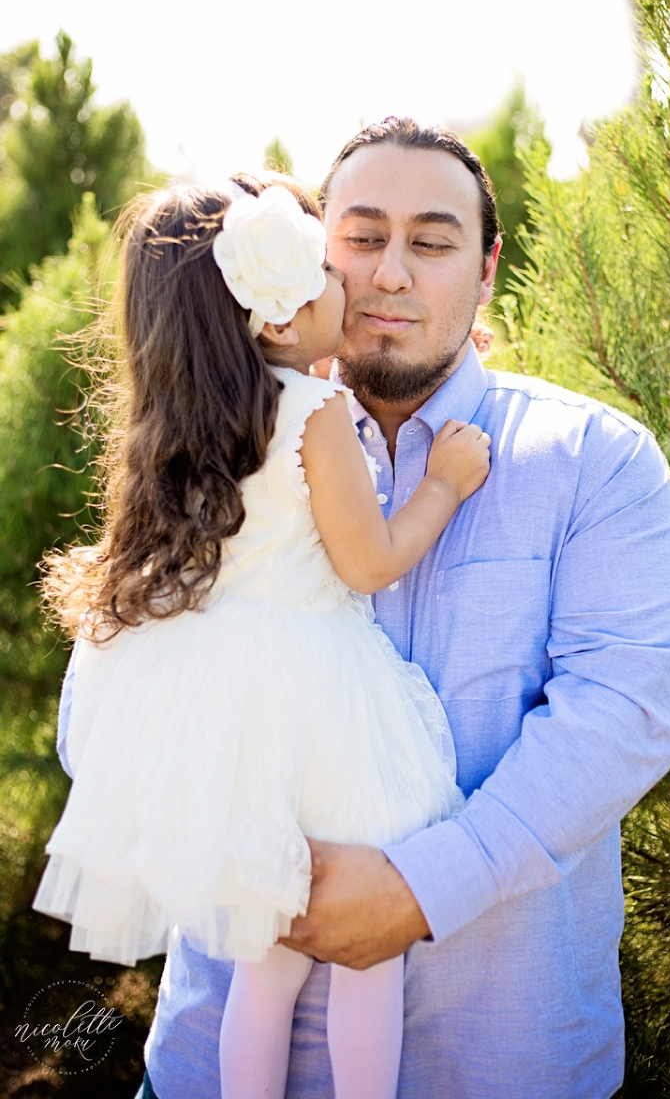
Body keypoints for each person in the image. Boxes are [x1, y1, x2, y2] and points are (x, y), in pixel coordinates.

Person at [57, 119, 670, 1099]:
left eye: (433, 242)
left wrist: (420, 888)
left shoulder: (596, 463)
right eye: (360, 239)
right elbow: (111, 714)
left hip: (494, 1071)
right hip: (202, 1067)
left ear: (486, 271)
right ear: (305, 264)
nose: (392, 274)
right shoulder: (217, 451)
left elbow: (623, 716)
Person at [35, 173, 494, 1099]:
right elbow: (367, 563)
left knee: (266, 965)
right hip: (322, 708)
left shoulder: (190, 427)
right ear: (279, 316)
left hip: (234, 729)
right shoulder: (318, 417)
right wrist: (443, 483)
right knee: (367, 964)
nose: (355, 293)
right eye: (329, 275)